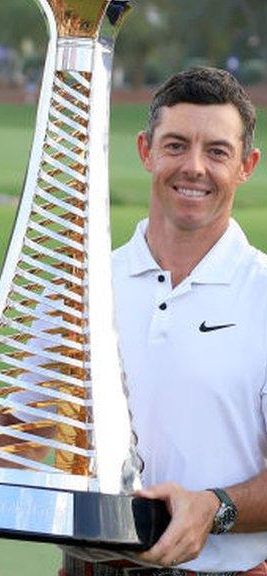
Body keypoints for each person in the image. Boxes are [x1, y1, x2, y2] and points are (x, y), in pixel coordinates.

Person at [60, 67, 267, 576]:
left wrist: (214, 507)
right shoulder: (83, 286)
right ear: (146, 151)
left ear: (247, 165)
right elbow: (21, 425)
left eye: (217, 151)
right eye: (176, 145)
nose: (194, 167)